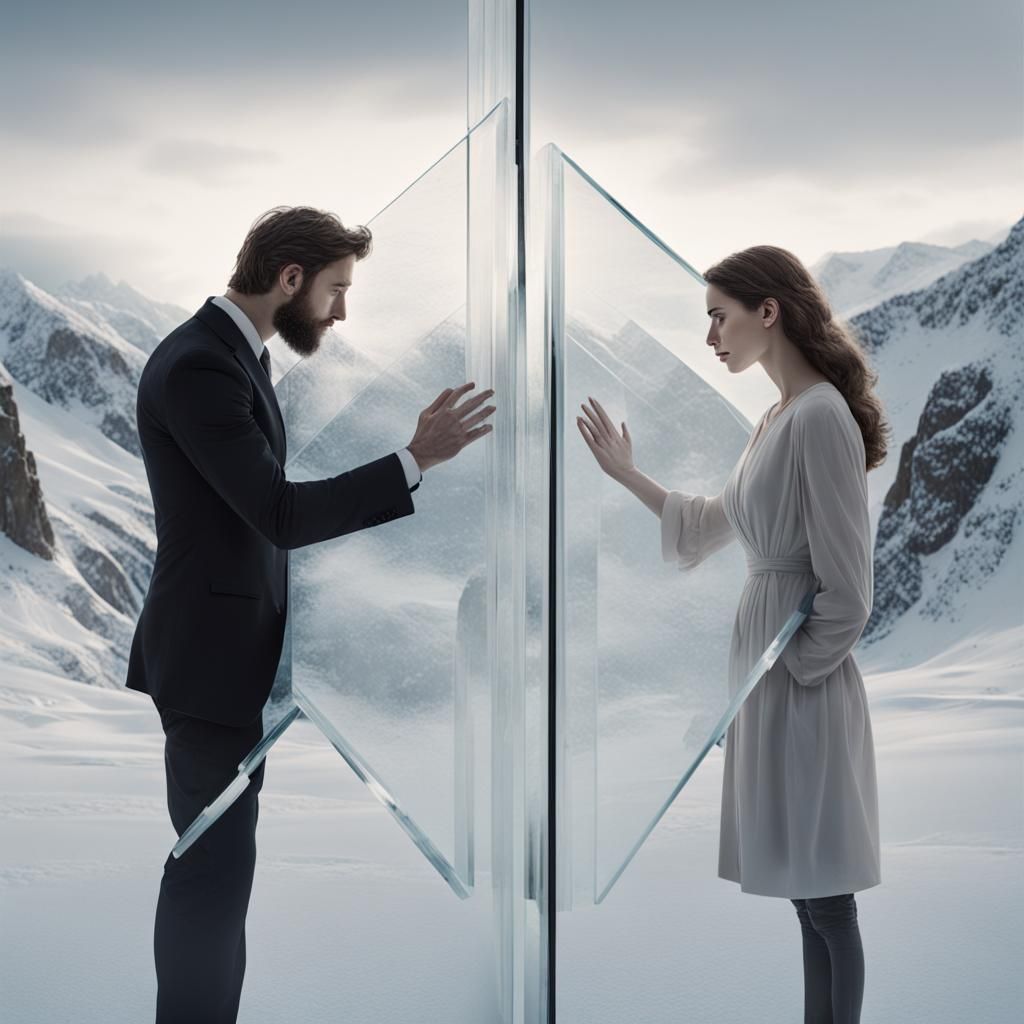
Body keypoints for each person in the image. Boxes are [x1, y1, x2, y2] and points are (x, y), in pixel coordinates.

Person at [125, 205, 495, 1023]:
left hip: (228, 665)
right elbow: (278, 514)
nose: (341, 312)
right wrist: (414, 458)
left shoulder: (230, 356)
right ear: (289, 279)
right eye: (335, 290)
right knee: (207, 873)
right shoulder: (200, 367)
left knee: (221, 873)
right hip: (207, 665)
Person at [576, 244, 890, 1024]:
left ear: (768, 312)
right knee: (807, 896)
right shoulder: (778, 417)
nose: (711, 336)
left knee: (827, 897)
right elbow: (713, 524)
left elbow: (849, 592)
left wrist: (793, 680)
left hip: (800, 684)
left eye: (719, 316)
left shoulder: (819, 418)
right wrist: (627, 474)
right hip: (774, 681)